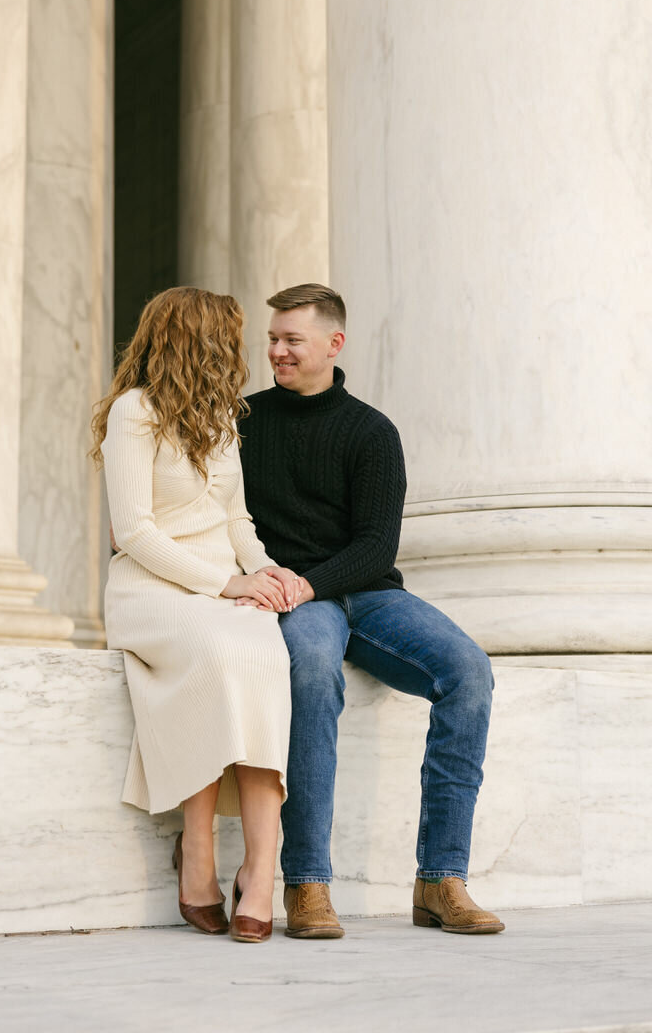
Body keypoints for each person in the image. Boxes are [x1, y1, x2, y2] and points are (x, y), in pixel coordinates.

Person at [237, 283, 504, 938]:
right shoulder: (243, 421)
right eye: (273, 339)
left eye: (291, 340)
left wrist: (311, 583)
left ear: (334, 344)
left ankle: (441, 877)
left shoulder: (371, 432)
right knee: (311, 671)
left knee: (469, 671)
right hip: (299, 599)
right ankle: (307, 883)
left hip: (368, 593)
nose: (276, 351)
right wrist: (277, 584)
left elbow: (376, 545)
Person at [91, 286, 300, 942]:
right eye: (226, 338)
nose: (235, 352)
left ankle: (262, 871)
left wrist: (262, 572)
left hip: (219, 585)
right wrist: (227, 586)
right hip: (151, 589)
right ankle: (197, 852)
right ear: (195, 340)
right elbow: (135, 533)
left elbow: (235, 518)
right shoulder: (133, 412)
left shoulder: (219, 416)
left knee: (265, 653)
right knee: (218, 654)